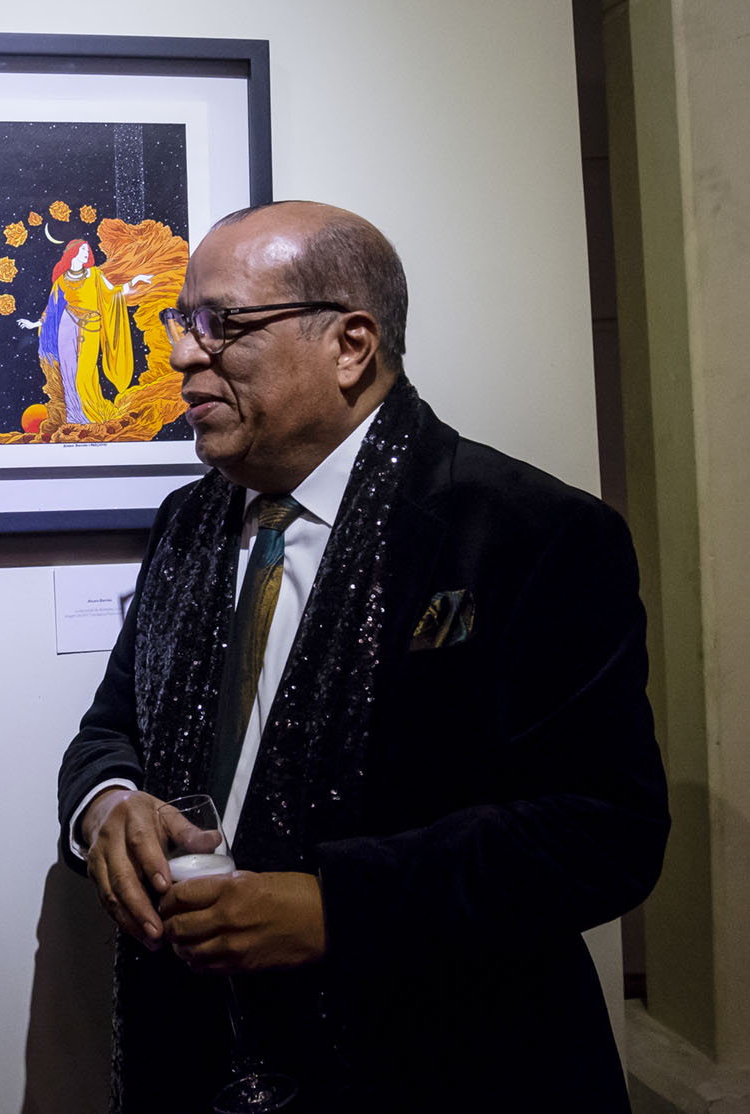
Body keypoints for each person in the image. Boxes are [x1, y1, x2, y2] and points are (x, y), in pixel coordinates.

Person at [56, 201, 669, 1113]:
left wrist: (335, 907)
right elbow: (110, 729)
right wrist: (108, 807)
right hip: (197, 1054)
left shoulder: (527, 533)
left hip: (442, 1067)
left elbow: (603, 832)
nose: (181, 355)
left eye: (220, 323)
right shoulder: (188, 522)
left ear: (350, 345)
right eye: (182, 322)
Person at [17, 239, 152, 423]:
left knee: (85, 373)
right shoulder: (62, 280)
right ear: (72, 254)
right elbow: (52, 309)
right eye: (83, 250)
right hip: (67, 324)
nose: (87, 253)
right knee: (69, 372)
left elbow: (114, 293)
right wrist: (35, 324)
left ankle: (90, 412)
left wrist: (134, 281)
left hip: (91, 326)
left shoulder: (95, 274)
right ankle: (74, 416)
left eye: (87, 250)